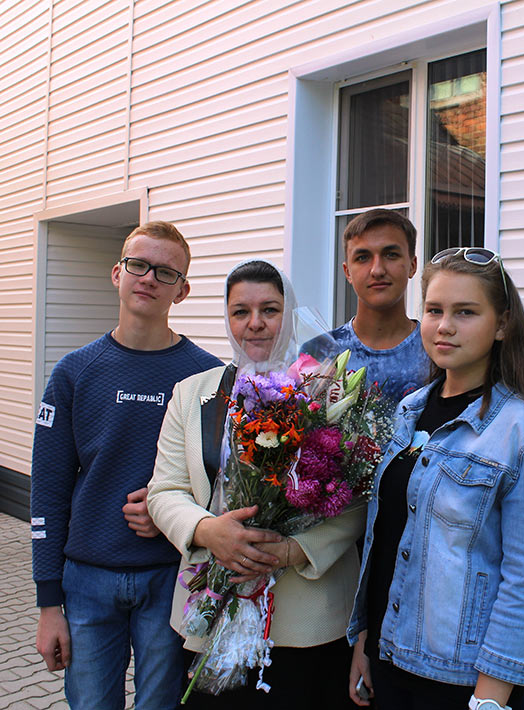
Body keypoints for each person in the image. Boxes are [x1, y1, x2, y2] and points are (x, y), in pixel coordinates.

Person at [347, 247, 524, 710]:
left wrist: (489, 700)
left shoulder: (522, 433)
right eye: (434, 310)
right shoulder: (409, 410)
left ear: (502, 324)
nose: (444, 326)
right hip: (390, 659)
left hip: (461, 681)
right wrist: (365, 641)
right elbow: (386, 539)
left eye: (465, 312)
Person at [147, 259, 362, 709]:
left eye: (270, 309)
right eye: (240, 311)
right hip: (211, 608)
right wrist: (208, 531)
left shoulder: (328, 389)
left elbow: (357, 497)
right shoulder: (193, 394)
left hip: (307, 619)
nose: (255, 323)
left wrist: (293, 550)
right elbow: (165, 491)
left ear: (290, 312)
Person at [30, 221, 222, 710]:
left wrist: (171, 515)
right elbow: (48, 491)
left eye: (165, 272)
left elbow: (225, 487)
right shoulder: (74, 372)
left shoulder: (208, 378)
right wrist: (48, 604)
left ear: (182, 290)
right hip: (87, 581)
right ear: (117, 273)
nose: (149, 278)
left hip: (172, 579)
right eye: (138, 265)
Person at [323, 209, 431, 404]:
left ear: (412, 265)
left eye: (391, 255)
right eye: (362, 257)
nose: (377, 270)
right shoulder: (321, 352)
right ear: (347, 272)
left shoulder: (437, 351)